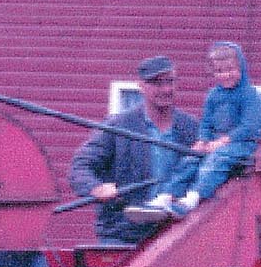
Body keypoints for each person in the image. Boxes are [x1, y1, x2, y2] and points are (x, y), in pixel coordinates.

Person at [68, 55, 199, 245]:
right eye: (156, 82)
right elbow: (80, 166)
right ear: (141, 85)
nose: (166, 89)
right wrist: (96, 188)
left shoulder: (192, 129)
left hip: (175, 236)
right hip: (123, 235)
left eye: (169, 81)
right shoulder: (118, 126)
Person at [149, 41, 261, 217]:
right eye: (219, 71)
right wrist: (203, 140)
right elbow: (206, 121)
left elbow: (248, 127)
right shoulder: (213, 95)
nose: (225, 75)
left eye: (230, 69)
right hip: (215, 142)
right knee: (190, 159)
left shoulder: (250, 95)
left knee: (215, 160)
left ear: (241, 68)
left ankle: (193, 198)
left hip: (242, 145)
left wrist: (222, 142)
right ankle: (167, 195)